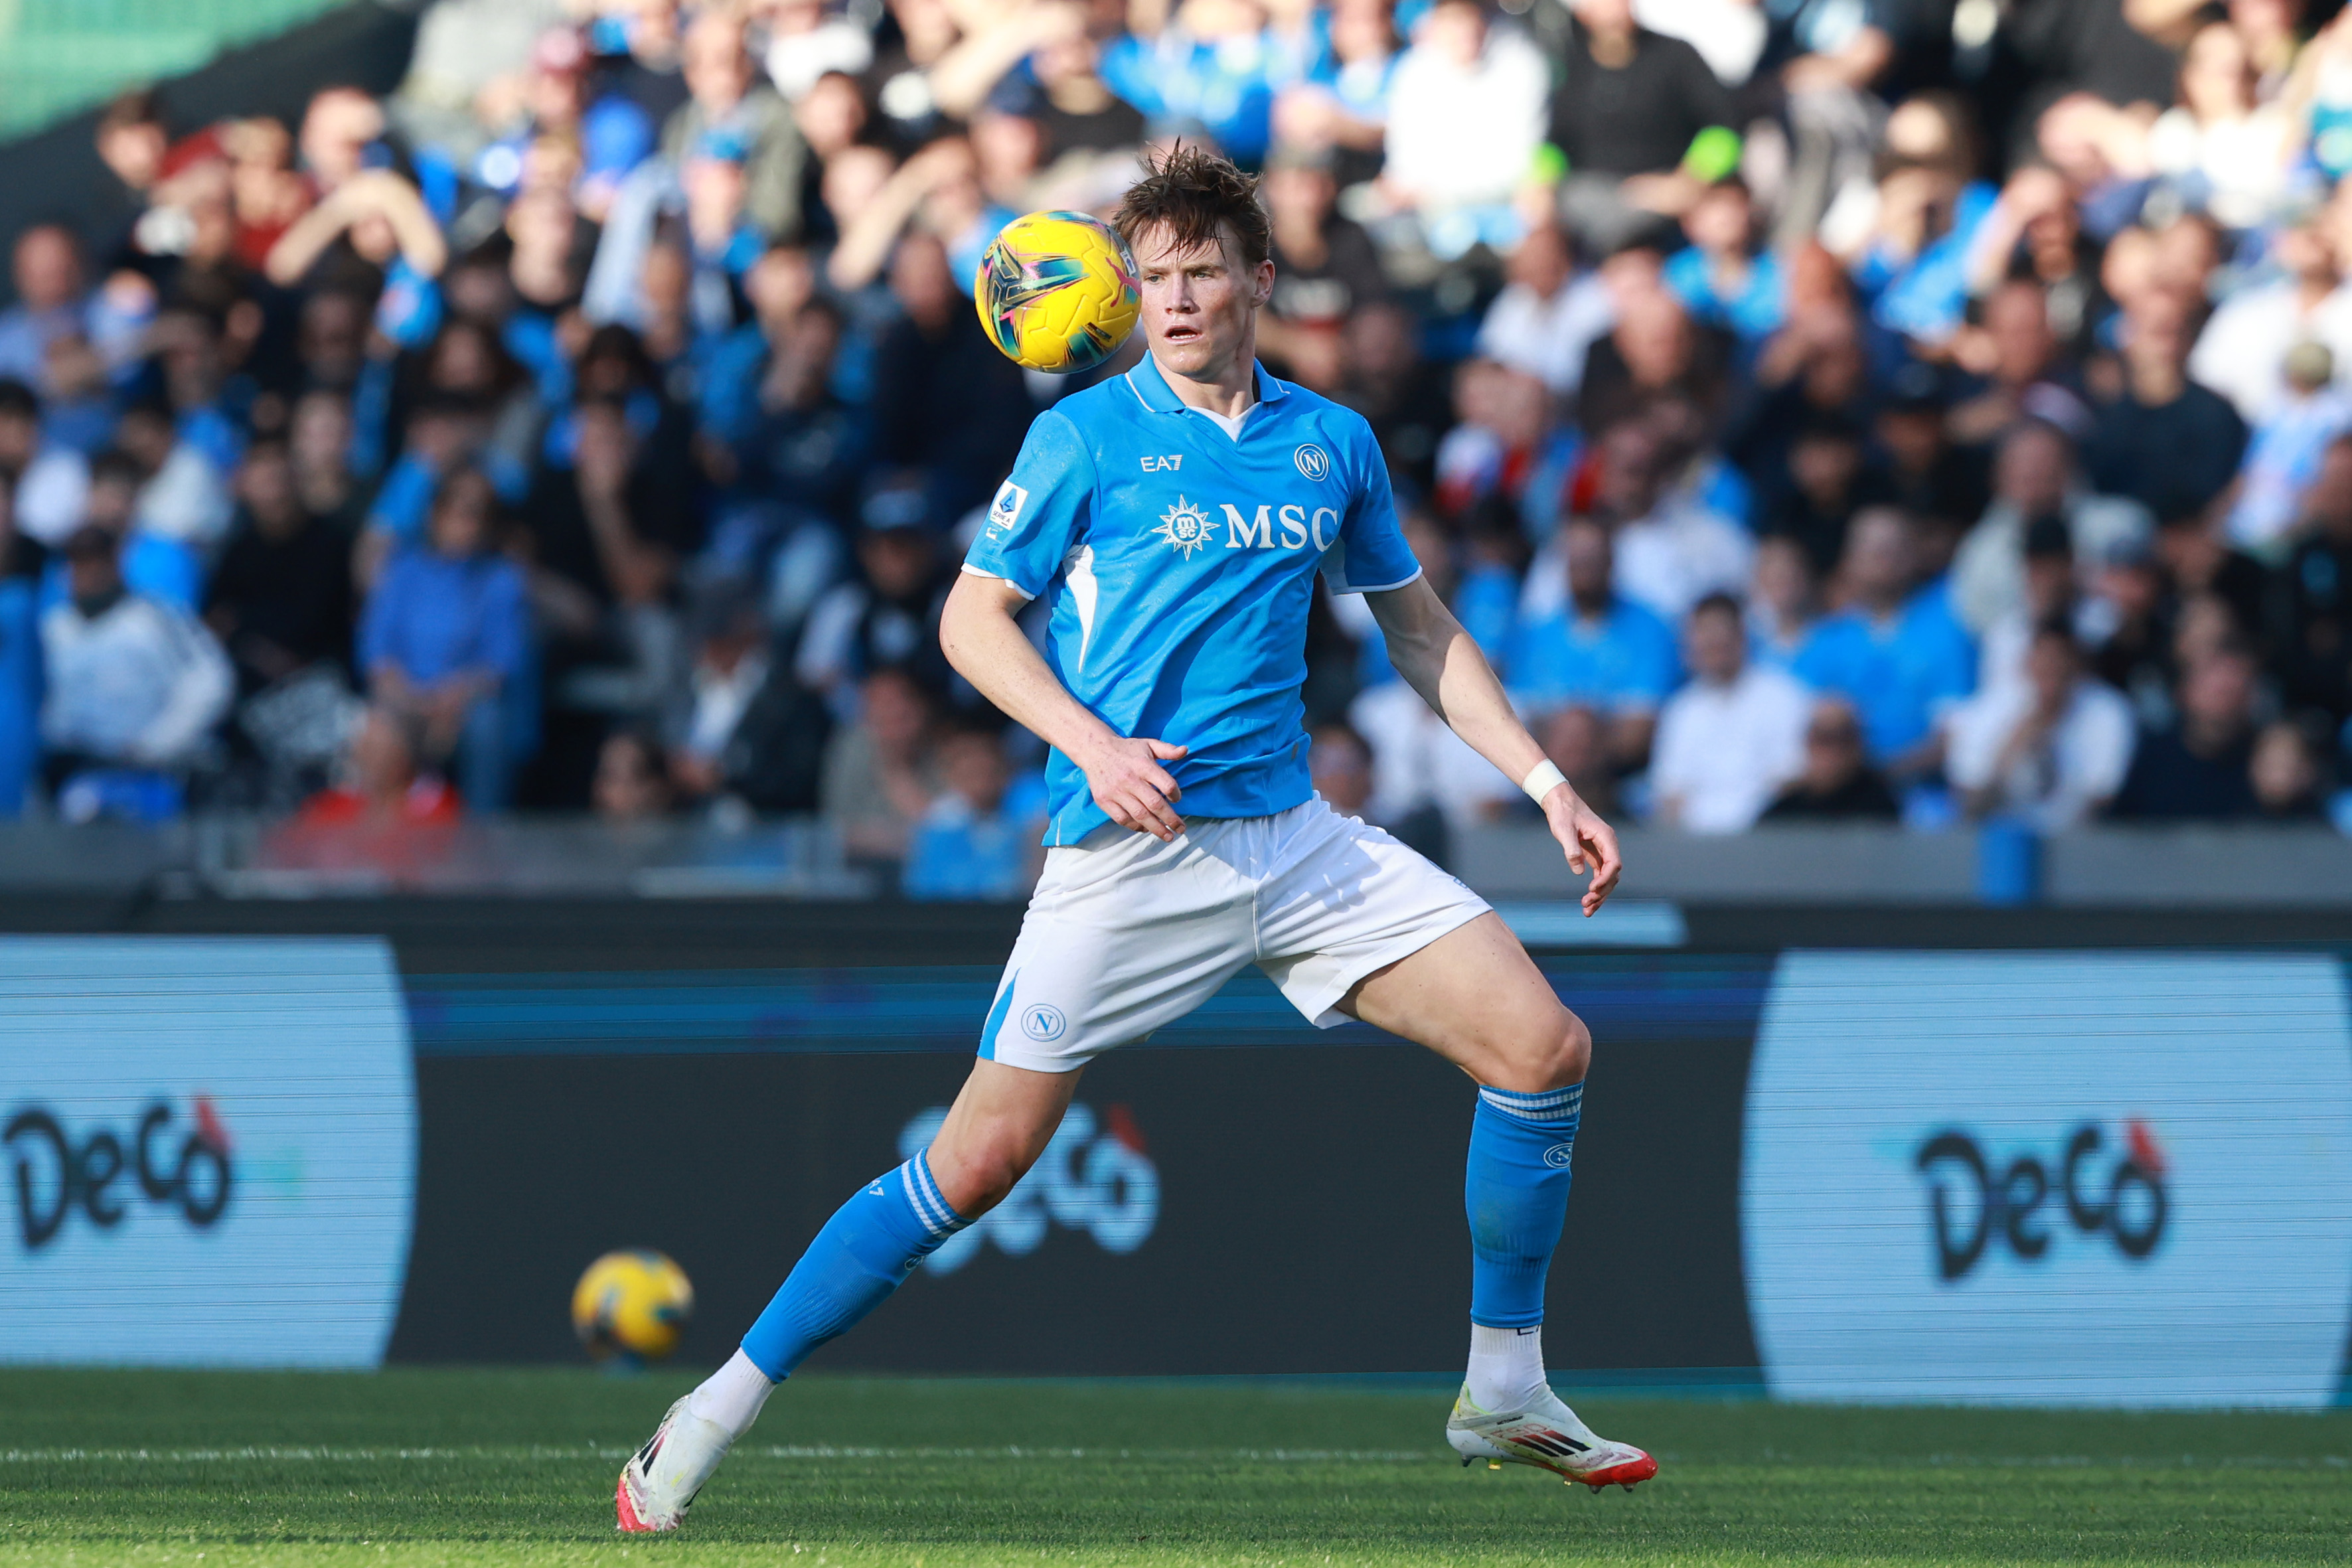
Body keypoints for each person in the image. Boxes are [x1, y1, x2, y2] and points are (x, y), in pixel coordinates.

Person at [616, 145, 1654, 1534]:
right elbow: (970, 623)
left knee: (1543, 1047)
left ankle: (1502, 1387)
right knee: (973, 1165)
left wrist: (1542, 779)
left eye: (1199, 273)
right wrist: (1091, 742)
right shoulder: (1082, 437)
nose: (1172, 300)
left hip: (1289, 840)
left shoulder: (1328, 441)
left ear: (1256, 283)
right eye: (1152, 278)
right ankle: (711, 1406)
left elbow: (1417, 631)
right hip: (1125, 849)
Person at [1944, 621, 2136, 831]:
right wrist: (2014, 747)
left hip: (2078, 845)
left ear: (2077, 667)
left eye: (2059, 666)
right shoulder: (1988, 713)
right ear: (2027, 665)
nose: (2052, 678)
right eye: (2045, 668)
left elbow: (2102, 802)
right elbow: (1970, 808)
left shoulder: (2107, 712)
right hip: (2003, 844)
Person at [1648, 593, 1809, 832]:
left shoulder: (1786, 697)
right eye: (1704, 635)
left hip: (1768, 838)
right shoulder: (1680, 710)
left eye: (1720, 635)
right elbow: (1669, 792)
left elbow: (1792, 780)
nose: (1713, 644)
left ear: (1741, 636)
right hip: (1696, 846)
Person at [1759, 696, 1901, 819]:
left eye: (1842, 739)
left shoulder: (1879, 805)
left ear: (1857, 745)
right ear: (1808, 743)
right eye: (1822, 738)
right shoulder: (1785, 810)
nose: (1831, 750)